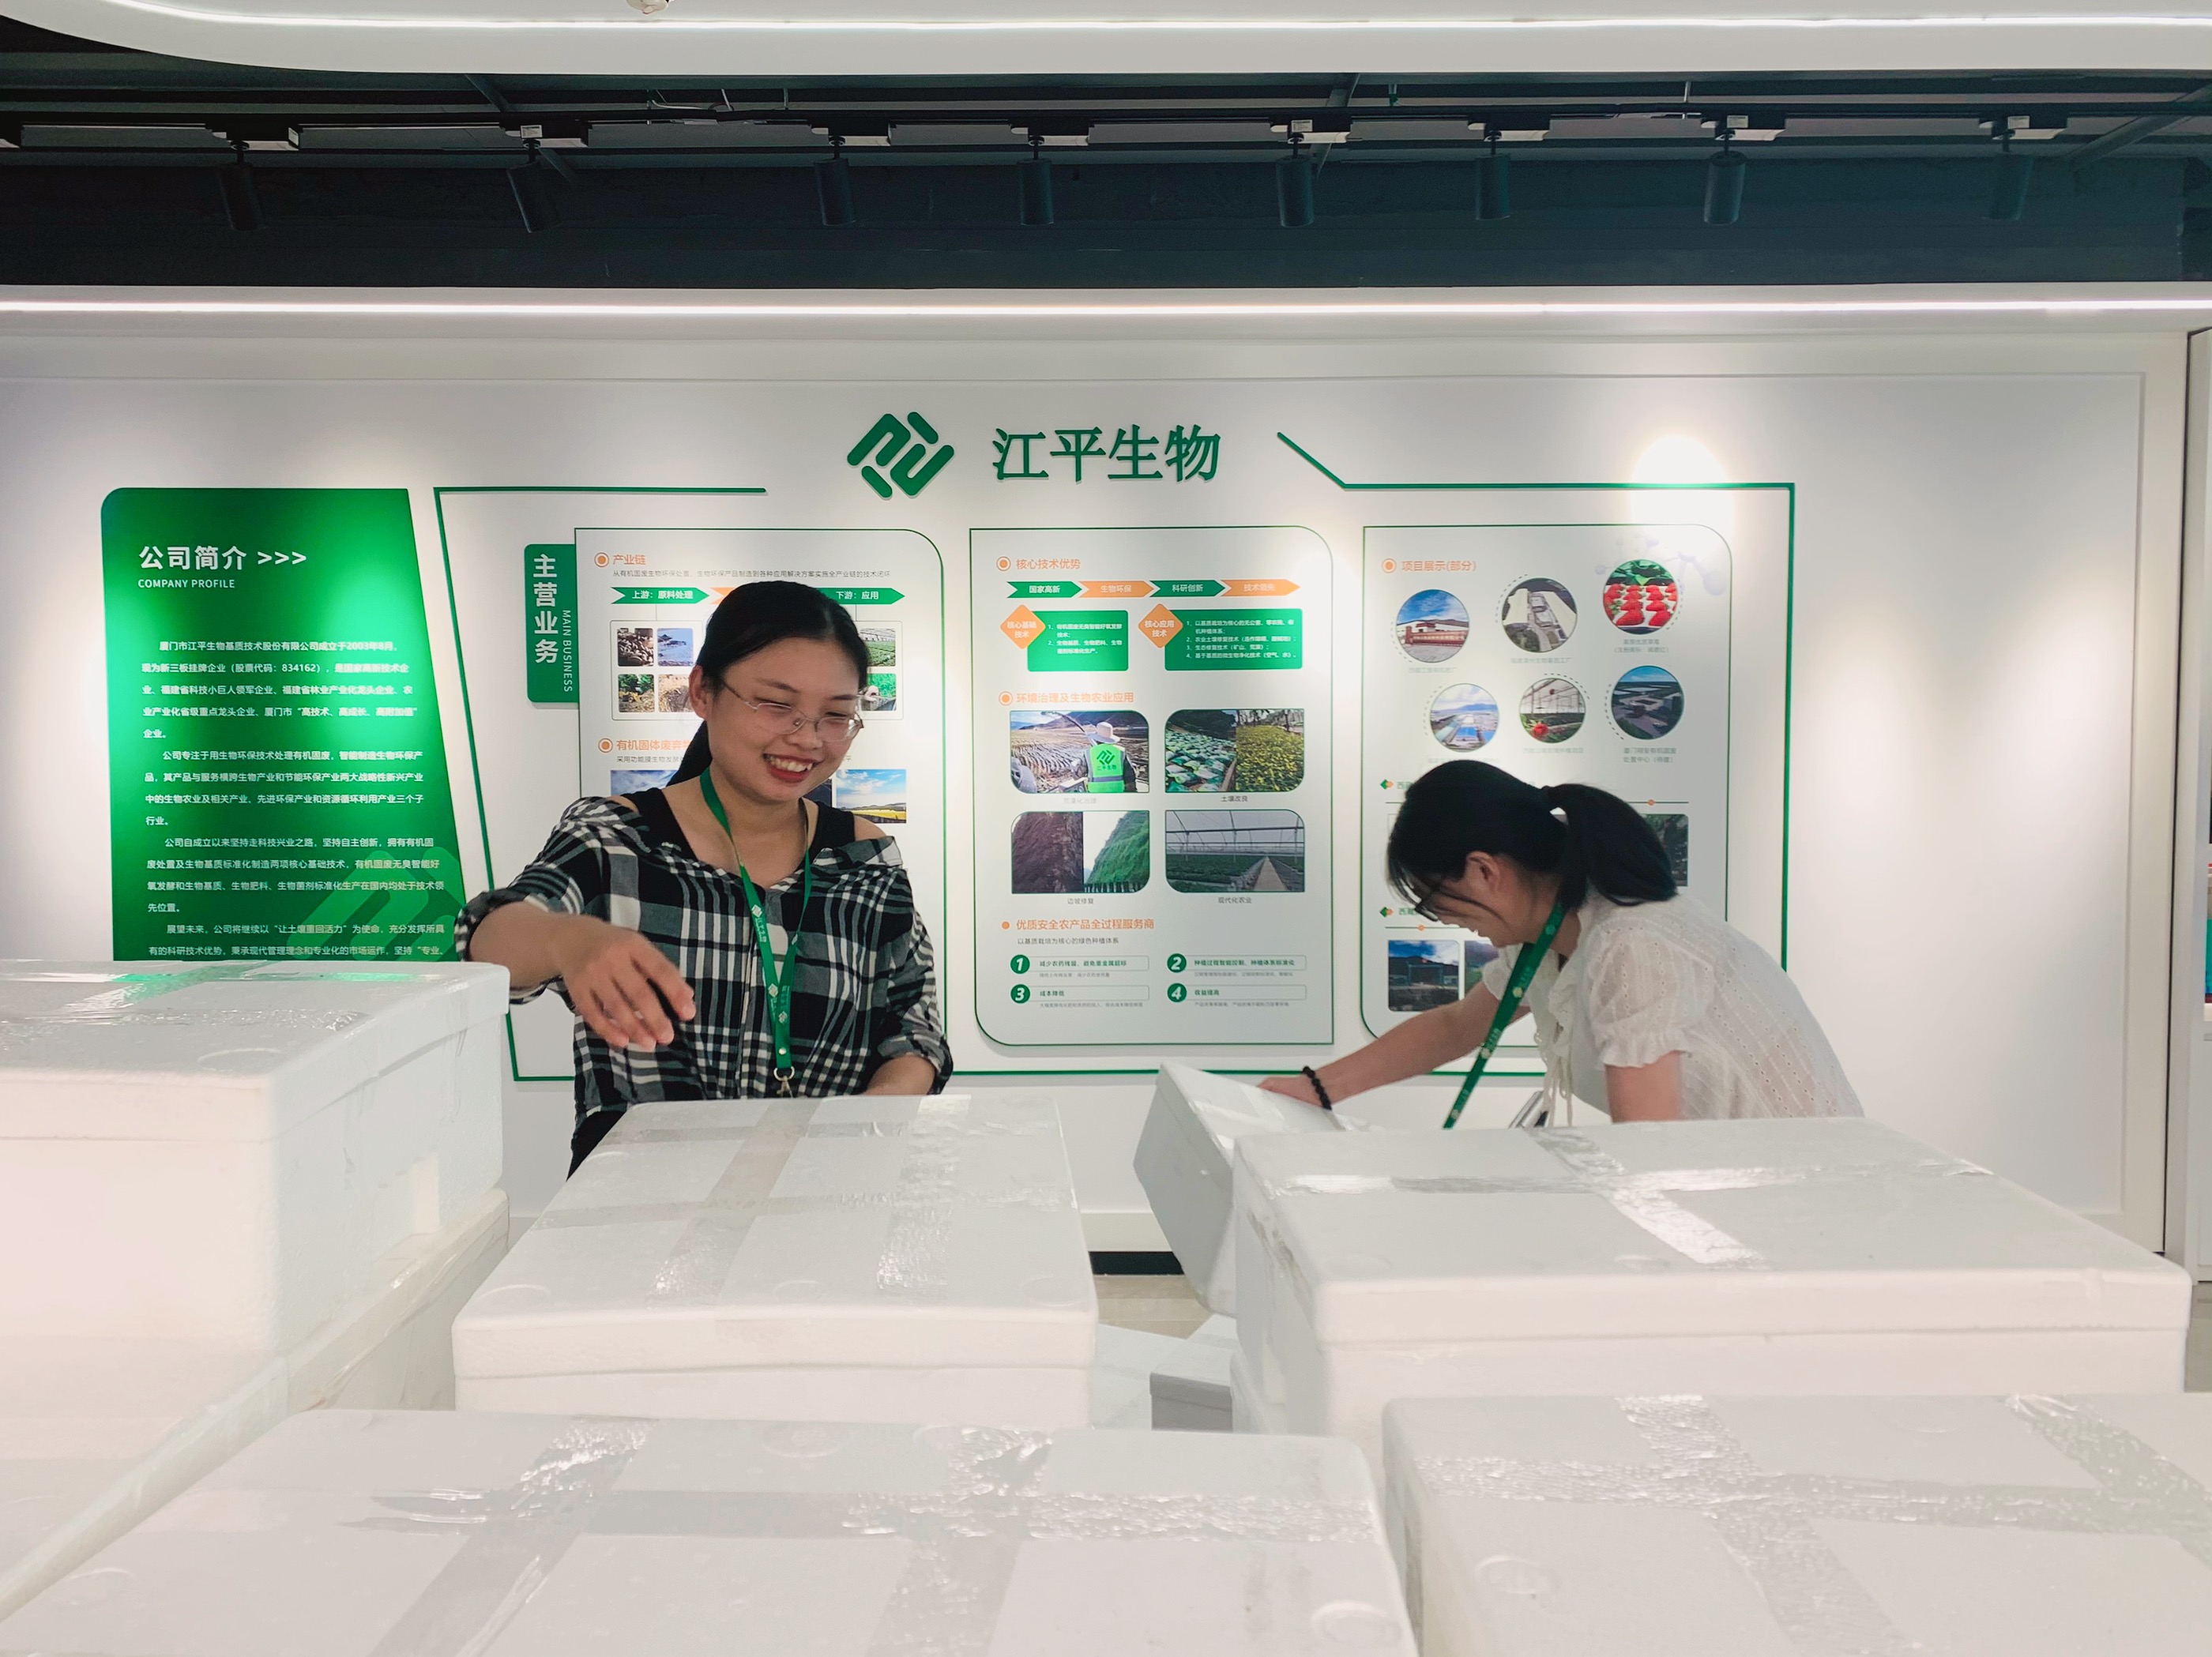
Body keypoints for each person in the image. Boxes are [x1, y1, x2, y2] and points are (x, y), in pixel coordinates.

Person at [458, 581, 951, 1170]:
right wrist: (569, 939)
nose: (806, 738)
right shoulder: (620, 839)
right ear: (702, 691)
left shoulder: (863, 857)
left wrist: (869, 1117)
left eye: (835, 716)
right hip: (645, 1198)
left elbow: (914, 1025)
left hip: (824, 1191)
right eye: (775, 705)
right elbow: (487, 946)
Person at [1266, 761, 1859, 1122]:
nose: (1444, 920)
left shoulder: (1633, 944)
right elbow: (1455, 1027)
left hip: (1801, 1209)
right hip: (1745, 1193)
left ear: (1484, 871)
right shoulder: (1551, 934)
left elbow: (1649, 1153)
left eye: (1435, 898)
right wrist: (1316, 1088)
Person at [1087, 720, 1128, 794]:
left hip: (1096, 790)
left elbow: (1081, 772)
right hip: (1118, 790)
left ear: (1096, 738)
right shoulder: (1121, 751)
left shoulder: (1089, 752)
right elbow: (1129, 772)